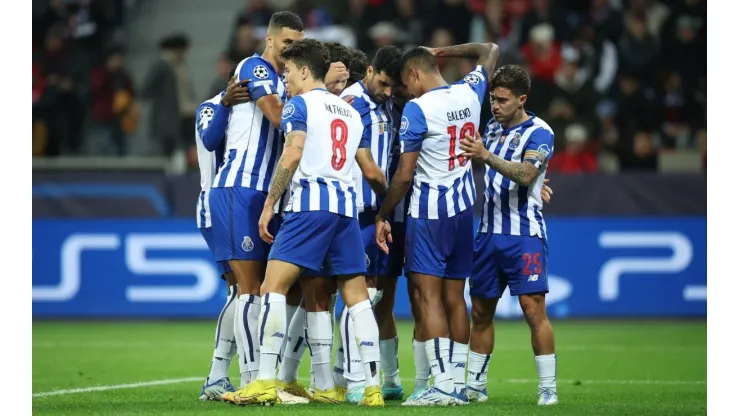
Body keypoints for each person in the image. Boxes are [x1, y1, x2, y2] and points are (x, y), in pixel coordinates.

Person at [234, 38, 385, 407]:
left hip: (309, 207)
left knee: (272, 286)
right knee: (357, 297)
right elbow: (367, 169)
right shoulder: (351, 112)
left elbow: (294, 150)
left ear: (304, 70)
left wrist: (270, 202)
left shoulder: (298, 105)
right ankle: (372, 388)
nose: (283, 79)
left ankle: (265, 382)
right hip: (345, 212)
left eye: (287, 72)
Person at [374, 43, 499, 406]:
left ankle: (441, 385)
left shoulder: (418, 109)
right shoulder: (470, 91)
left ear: (414, 73)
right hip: (463, 210)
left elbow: (404, 175)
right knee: (454, 299)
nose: (406, 91)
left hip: (429, 213)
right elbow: (489, 50)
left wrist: (383, 214)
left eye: (405, 82)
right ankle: (457, 382)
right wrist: (442, 50)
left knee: (426, 297)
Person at [209, 10, 305, 395]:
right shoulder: (254, 67)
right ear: (270, 40)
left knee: (275, 289)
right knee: (248, 289)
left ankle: (263, 376)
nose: (291, 50)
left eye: (297, 45)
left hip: (268, 194)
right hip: (240, 188)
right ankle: (251, 380)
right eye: (287, 44)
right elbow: (280, 118)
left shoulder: (288, 81)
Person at [459, 64, 559, 406]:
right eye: (493, 99)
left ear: (522, 99)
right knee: (481, 312)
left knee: (534, 311)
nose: (495, 106)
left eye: (502, 100)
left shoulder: (540, 132)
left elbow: (527, 171)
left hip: (524, 235)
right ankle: (475, 386)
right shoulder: (490, 127)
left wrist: (489, 157)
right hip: (487, 234)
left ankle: (548, 389)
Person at [336, 45, 403, 403]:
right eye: (385, 82)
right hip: (357, 211)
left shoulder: (383, 104)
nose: (388, 91)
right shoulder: (354, 102)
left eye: (393, 86)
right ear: (370, 70)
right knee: (358, 295)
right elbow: (369, 169)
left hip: (374, 213)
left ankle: (374, 377)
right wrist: (385, 204)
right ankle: (354, 379)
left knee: (373, 295)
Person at [194, 72, 249, 400]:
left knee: (246, 290)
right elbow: (210, 141)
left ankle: (222, 376)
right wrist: (227, 104)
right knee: (242, 289)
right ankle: (221, 374)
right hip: (218, 202)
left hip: (240, 204)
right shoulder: (211, 108)